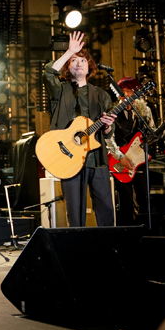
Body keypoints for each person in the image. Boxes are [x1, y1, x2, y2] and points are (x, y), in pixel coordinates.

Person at [42, 31, 117, 227]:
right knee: (75, 215)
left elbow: (109, 132)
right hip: (69, 159)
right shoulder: (60, 90)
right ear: (68, 67)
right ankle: (75, 244)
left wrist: (108, 126)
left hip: (97, 159)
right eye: (74, 61)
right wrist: (69, 51)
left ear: (89, 67)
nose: (78, 63)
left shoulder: (101, 95)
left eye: (83, 60)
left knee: (106, 210)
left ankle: (107, 244)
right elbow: (48, 73)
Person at [107, 76, 165, 225]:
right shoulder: (113, 112)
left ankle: (145, 228)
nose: (126, 95)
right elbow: (108, 139)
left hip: (139, 160)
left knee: (144, 196)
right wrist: (120, 157)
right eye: (123, 91)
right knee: (125, 199)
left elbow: (152, 135)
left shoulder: (145, 112)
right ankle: (127, 229)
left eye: (130, 91)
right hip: (120, 160)